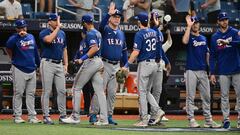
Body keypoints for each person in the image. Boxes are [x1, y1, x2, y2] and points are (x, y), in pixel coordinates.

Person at [61, 14, 108, 125]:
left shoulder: (90, 33)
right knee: (100, 92)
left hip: (91, 61)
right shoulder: (98, 32)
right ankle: (104, 119)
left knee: (76, 88)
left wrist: (82, 59)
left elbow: (94, 48)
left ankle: (75, 117)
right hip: (99, 62)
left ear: (84, 23)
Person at [88, 2, 128, 125]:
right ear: (110, 18)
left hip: (116, 66)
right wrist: (107, 14)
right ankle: (93, 114)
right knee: (100, 90)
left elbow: (125, 51)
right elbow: (100, 27)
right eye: (114, 17)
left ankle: (109, 115)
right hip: (104, 64)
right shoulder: (105, 29)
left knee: (112, 93)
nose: (117, 19)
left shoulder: (121, 33)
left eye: (118, 17)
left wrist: (125, 65)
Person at [123, 12, 165, 127]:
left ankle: (144, 119)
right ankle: (158, 110)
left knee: (142, 92)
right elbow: (159, 48)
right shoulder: (154, 32)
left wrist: (126, 65)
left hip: (145, 64)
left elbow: (135, 52)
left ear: (139, 22)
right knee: (146, 91)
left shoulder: (139, 34)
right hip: (154, 64)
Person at [182, 15, 221, 128]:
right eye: (193, 23)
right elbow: (184, 41)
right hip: (191, 70)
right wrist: (188, 26)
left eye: (196, 22)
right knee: (190, 97)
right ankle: (191, 120)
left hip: (203, 71)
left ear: (199, 24)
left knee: (207, 97)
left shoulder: (204, 38)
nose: (195, 24)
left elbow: (207, 55)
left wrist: (211, 70)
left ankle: (208, 120)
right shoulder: (189, 36)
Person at [6, 19, 41, 123]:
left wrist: (38, 65)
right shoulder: (14, 38)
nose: (23, 29)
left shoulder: (31, 36)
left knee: (31, 94)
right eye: (20, 27)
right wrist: (18, 36)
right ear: (16, 29)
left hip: (32, 68)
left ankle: (32, 117)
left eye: (24, 27)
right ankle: (17, 116)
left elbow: (35, 52)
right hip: (19, 68)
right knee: (18, 93)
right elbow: (8, 46)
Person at [209, 12, 240, 129]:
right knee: (224, 96)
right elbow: (213, 56)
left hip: (237, 69)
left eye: (226, 19)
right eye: (222, 20)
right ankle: (226, 119)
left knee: (239, 96)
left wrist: (229, 42)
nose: (224, 22)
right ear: (218, 22)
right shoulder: (214, 37)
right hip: (223, 70)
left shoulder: (234, 32)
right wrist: (212, 72)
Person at [39, 13, 68, 125]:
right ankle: (46, 116)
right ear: (49, 22)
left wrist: (66, 65)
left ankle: (63, 116)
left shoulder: (62, 33)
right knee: (47, 91)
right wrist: (58, 28)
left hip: (59, 64)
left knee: (62, 91)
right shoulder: (44, 32)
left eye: (58, 20)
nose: (57, 22)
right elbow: (49, 40)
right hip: (47, 63)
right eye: (55, 20)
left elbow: (64, 49)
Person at [148, 11, 171, 125]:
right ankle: (146, 114)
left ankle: (154, 117)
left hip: (158, 65)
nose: (159, 20)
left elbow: (161, 49)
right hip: (150, 63)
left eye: (159, 18)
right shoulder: (150, 31)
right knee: (146, 91)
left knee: (157, 91)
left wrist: (166, 61)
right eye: (157, 18)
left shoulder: (159, 32)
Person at [73, 29, 94, 115]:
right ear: (82, 34)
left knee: (93, 91)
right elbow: (78, 53)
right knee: (85, 90)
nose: (85, 35)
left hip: (90, 66)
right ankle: (86, 109)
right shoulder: (82, 42)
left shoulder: (91, 40)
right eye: (84, 33)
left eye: (86, 33)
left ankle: (94, 110)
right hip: (83, 67)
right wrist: (75, 59)